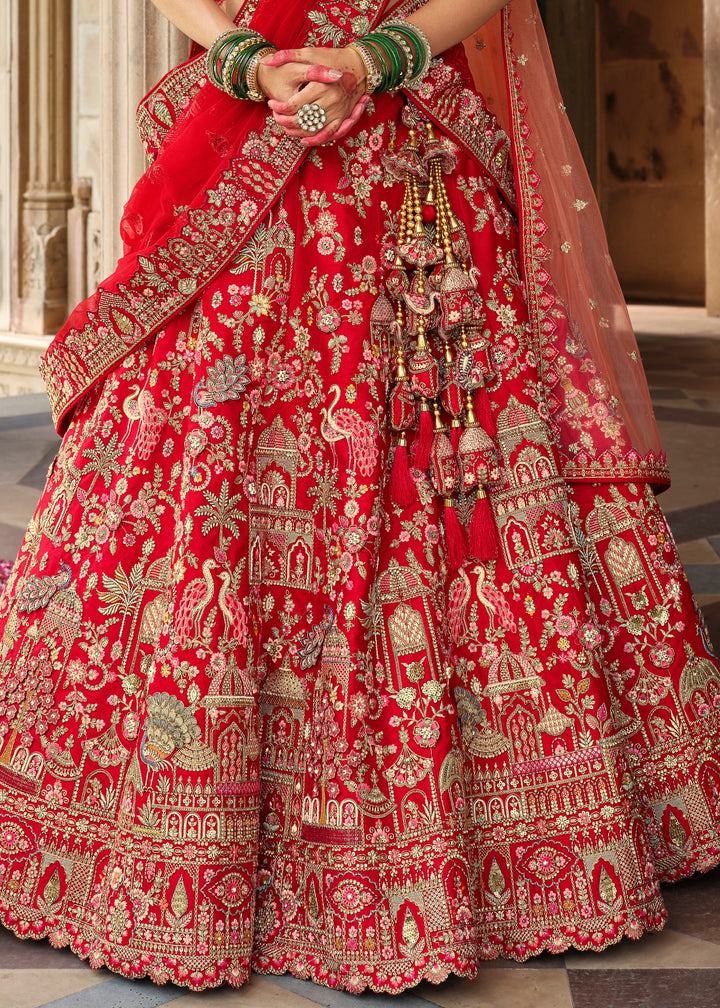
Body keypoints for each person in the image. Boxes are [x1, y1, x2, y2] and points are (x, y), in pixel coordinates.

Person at [0, 0, 718, 995]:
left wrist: (378, 54)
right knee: (200, 453)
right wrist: (247, 58)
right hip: (258, 138)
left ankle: (502, 837)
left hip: (413, 166)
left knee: (456, 452)